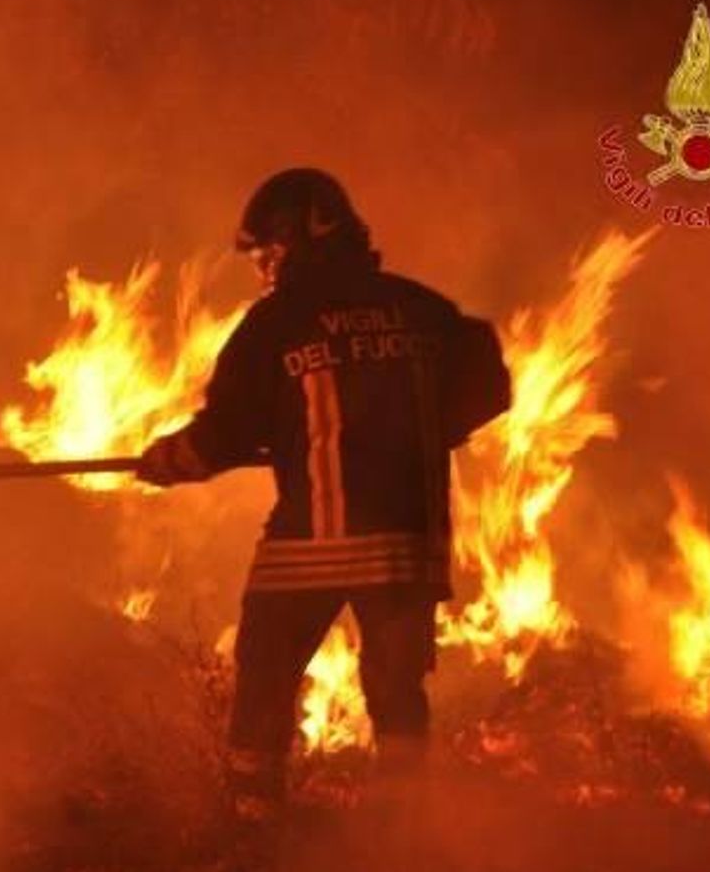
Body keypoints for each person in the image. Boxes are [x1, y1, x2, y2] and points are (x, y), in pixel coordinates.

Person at [137, 168, 511, 821]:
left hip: (315, 538)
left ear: (297, 240)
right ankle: (404, 829)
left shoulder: (277, 324)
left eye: (267, 253)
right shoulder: (421, 308)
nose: (265, 268)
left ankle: (254, 815)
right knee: (396, 689)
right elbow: (488, 388)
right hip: (408, 542)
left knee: (265, 667)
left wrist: (173, 459)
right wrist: (427, 432)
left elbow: (226, 428)